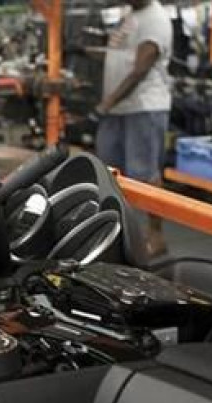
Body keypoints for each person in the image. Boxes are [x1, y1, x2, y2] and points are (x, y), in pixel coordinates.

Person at [89, 0, 172, 257]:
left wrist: (107, 102)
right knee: (107, 171)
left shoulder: (155, 18)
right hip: (119, 109)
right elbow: (122, 55)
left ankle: (155, 237)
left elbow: (140, 69)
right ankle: (113, 232)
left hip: (143, 107)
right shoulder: (130, 14)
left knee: (144, 174)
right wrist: (84, 50)